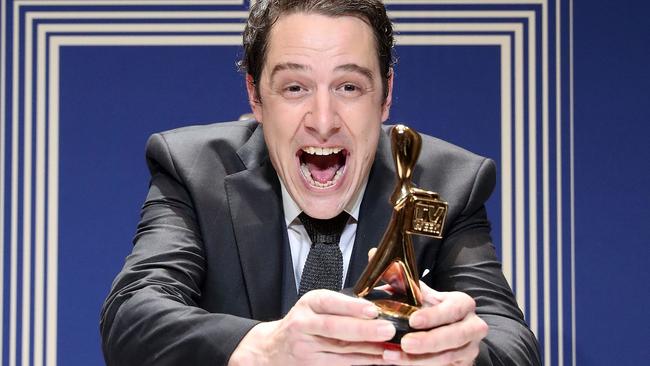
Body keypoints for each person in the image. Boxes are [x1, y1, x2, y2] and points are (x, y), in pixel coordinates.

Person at [100, 0, 541, 365]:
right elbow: (132, 316)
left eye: (349, 87)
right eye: (295, 88)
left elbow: (512, 344)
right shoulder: (195, 170)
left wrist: (457, 352)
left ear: (386, 96)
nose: (324, 122)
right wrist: (265, 347)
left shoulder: (446, 182)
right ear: (255, 96)